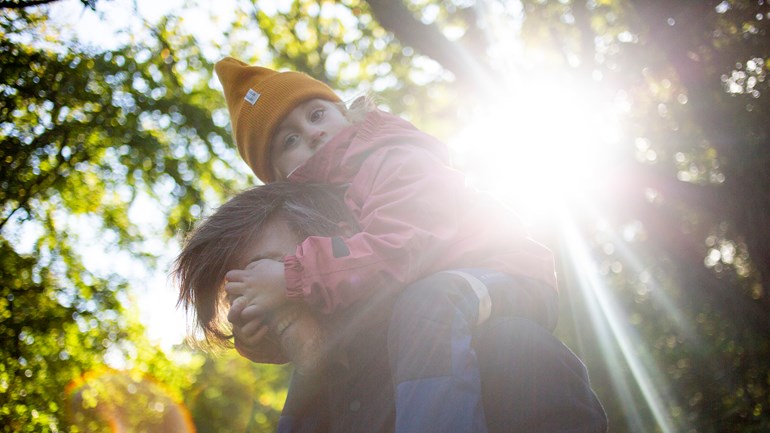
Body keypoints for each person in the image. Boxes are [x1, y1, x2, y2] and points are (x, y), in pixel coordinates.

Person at [214, 57, 606, 432]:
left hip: (504, 271)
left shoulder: (394, 158)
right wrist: (263, 332)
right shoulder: (330, 223)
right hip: (434, 285)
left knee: (428, 302)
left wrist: (290, 277)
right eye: (290, 140)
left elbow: (395, 250)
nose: (313, 133)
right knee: (312, 376)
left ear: (344, 111)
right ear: (279, 178)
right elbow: (330, 326)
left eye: (317, 115)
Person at [173, 182, 606, 433]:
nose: (248, 304)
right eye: (233, 297)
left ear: (339, 244)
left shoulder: (505, 351)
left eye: (259, 270)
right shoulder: (312, 413)